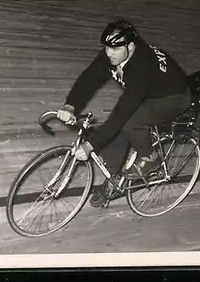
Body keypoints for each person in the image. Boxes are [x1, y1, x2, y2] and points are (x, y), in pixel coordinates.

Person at [57, 19, 191, 207]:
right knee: (115, 133)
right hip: (151, 92)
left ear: (130, 45)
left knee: (129, 123)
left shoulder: (143, 66)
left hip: (173, 98)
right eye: (106, 48)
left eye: (115, 49)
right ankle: (115, 179)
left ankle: (150, 158)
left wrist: (90, 146)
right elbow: (89, 79)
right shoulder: (114, 52)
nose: (109, 54)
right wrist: (70, 105)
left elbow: (121, 115)